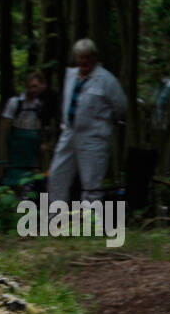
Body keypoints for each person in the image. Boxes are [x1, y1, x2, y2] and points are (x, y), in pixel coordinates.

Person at [47, 38, 126, 205]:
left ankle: (90, 223)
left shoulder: (106, 80)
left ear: (94, 58)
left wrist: (103, 123)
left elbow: (120, 106)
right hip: (68, 132)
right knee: (57, 174)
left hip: (93, 137)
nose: (84, 61)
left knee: (91, 182)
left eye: (87, 57)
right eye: (80, 57)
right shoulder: (70, 75)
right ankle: (55, 218)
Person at [1, 70, 57, 187]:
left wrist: (44, 142)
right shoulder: (15, 102)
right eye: (32, 86)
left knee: (33, 178)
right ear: (26, 86)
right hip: (17, 145)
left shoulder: (40, 104)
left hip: (33, 146)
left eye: (36, 87)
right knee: (14, 175)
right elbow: (5, 125)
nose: (34, 90)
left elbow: (45, 125)